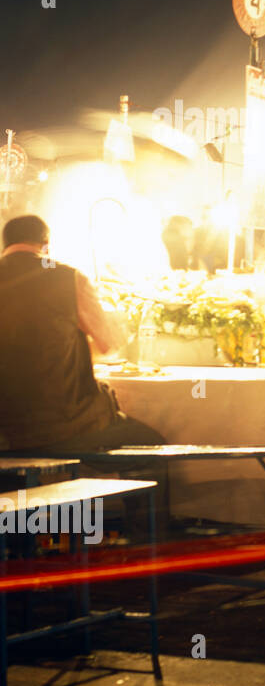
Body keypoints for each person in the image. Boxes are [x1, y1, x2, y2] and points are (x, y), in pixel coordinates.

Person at [0, 215, 167, 529]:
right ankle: (145, 550)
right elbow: (109, 343)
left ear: (5, 244)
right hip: (59, 429)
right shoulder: (66, 278)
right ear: (46, 243)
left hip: (3, 435)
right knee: (153, 447)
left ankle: (24, 543)